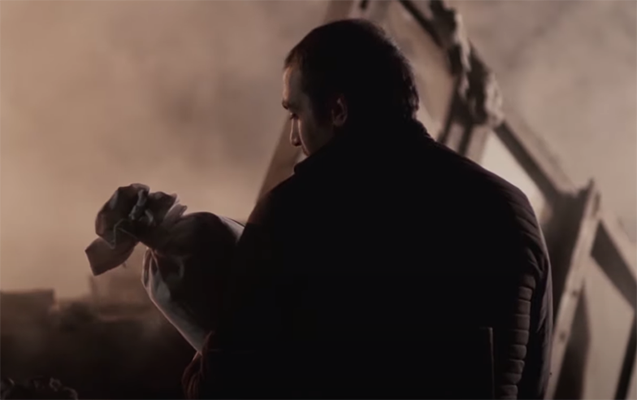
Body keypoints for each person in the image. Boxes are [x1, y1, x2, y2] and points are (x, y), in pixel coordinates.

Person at [182, 19, 552, 400]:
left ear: (338, 109)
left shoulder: (294, 212)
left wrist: (188, 319)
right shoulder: (513, 210)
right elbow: (535, 385)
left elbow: (224, 390)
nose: (294, 136)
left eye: (296, 114)